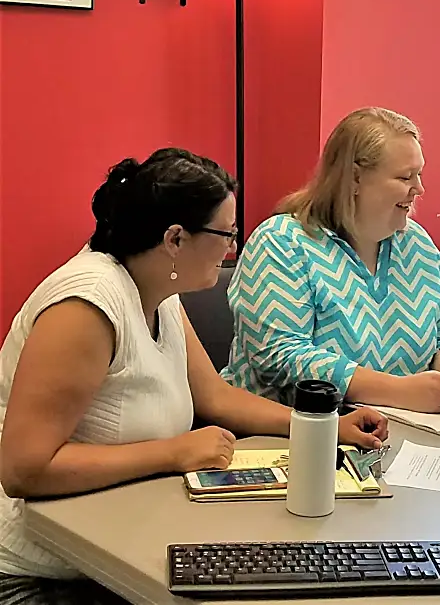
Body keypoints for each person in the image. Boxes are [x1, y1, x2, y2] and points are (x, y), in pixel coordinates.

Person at [0, 149, 388, 604]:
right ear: (175, 239)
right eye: (226, 234)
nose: (233, 249)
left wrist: (322, 426)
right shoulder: (86, 306)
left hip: (118, 544)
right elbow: (23, 470)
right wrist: (172, 453)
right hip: (43, 571)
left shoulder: (157, 289)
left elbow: (218, 398)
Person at [223, 107, 440, 413]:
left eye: (419, 174)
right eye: (405, 177)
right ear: (356, 178)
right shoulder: (282, 242)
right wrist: (398, 391)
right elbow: (281, 358)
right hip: (289, 432)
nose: (420, 189)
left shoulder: (417, 244)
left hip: (398, 428)